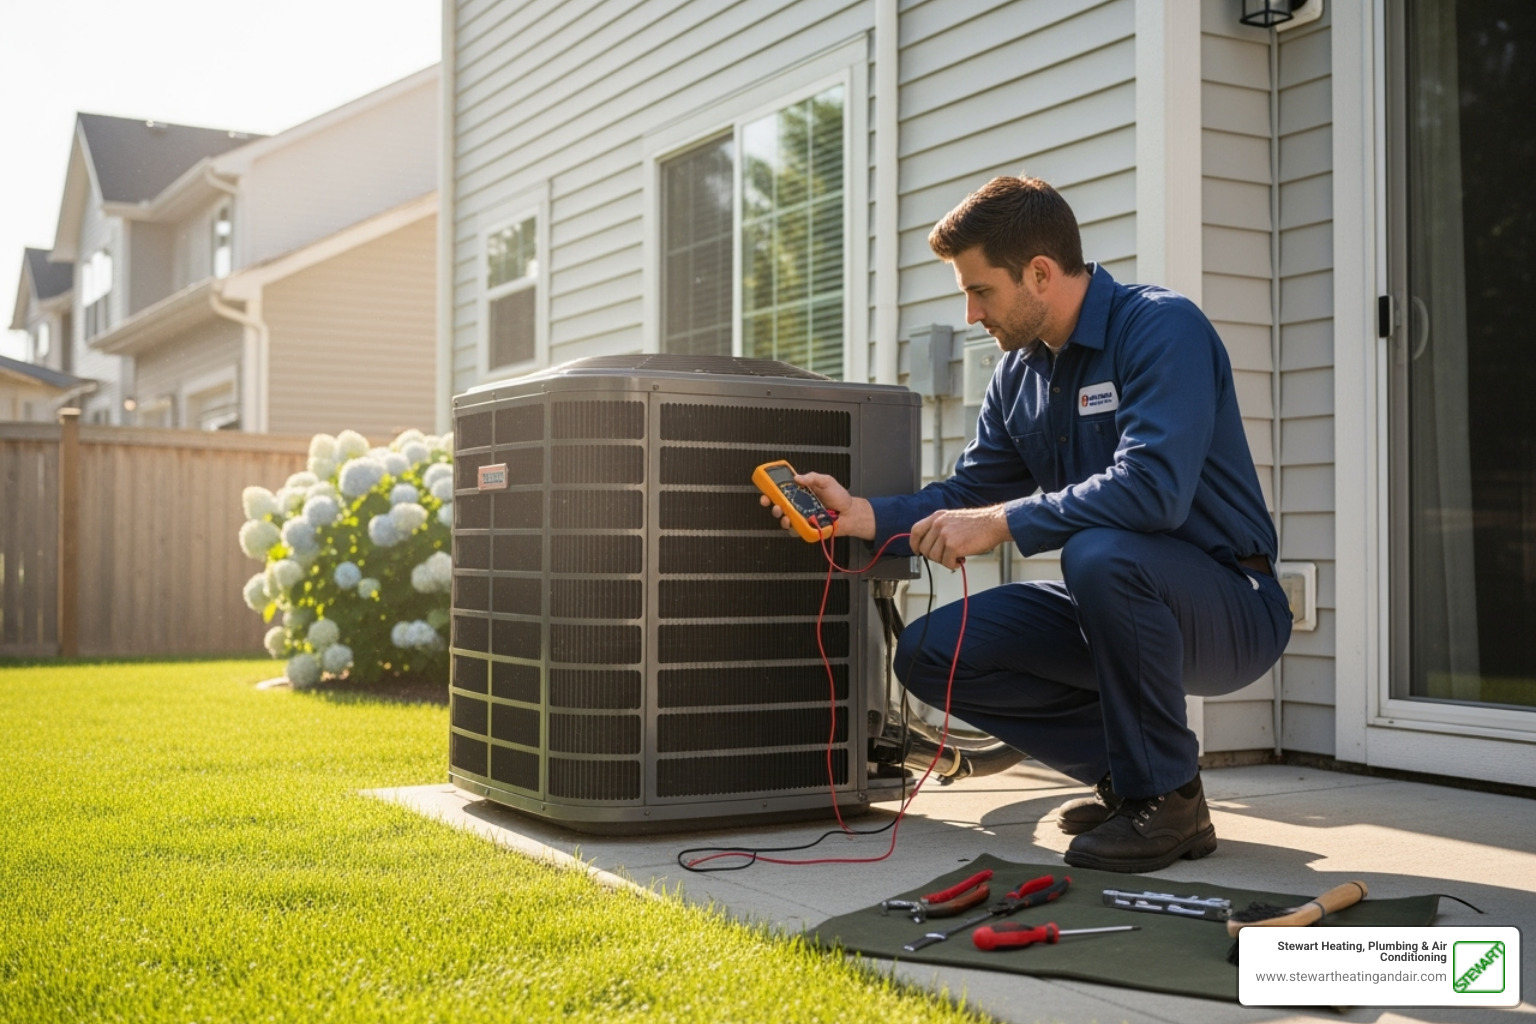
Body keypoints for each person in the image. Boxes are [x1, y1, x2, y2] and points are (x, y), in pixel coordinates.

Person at [764, 176, 1292, 873]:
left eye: (980, 290)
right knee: (930, 652)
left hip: (1231, 604)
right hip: (1112, 600)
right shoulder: (1019, 376)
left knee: (1098, 554)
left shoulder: (1161, 329)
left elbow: (1154, 492)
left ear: (1039, 273)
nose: (972, 312)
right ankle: (1132, 779)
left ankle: (1169, 799)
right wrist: (862, 514)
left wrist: (1001, 524)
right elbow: (971, 490)